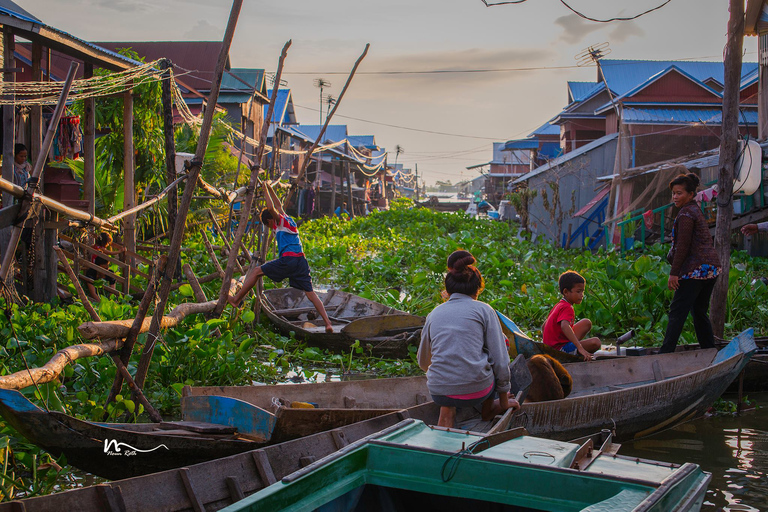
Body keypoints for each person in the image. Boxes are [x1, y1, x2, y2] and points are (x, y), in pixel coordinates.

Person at [417, 253, 519, 428]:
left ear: (448, 290)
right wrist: (504, 400)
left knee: (447, 398)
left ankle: (445, 419)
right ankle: (489, 410)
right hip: (478, 391)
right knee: (497, 348)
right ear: (477, 289)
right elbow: (501, 360)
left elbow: (423, 361)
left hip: (439, 391)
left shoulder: (434, 313)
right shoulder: (484, 310)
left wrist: (446, 376)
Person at [228, 180, 334, 333]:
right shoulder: (288, 219)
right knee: (311, 294)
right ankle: (328, 323)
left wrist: (264, 188)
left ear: (270, 220)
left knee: (257, 271)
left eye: (269, 225)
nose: (271, 228)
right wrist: (270, 188)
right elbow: (278, 205)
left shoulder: (279, 222)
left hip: (289, 260)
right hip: (301, 262)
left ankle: (236, 299)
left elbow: (272, 208)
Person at [660, 172, 721, 354]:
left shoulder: (686, 214)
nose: (675, 197)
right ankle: (709, 351)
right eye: (674, 193)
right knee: (699, 311)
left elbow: (683, 246)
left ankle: (665, 354)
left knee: (677, 311)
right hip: (710, 269)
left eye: (679, 193)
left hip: (695, 270)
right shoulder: (695, 210)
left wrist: (674, 272)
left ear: (691, 194)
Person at [542, 271, 600, 361]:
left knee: (586, 323)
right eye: (578, 291)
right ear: (566, 292)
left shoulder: (559, 304)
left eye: (582, 291)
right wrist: (580, 347)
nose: (582, 295)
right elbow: (564, 326)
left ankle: (573, 348)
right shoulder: (567, 307)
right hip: (558, 351)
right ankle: (576, 355)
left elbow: (544, 326)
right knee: (595, 343)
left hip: (551, 347)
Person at [85, 232, 124, 299]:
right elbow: (110, 253)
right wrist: (120, 251)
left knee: (111, 275)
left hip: (97, 264)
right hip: (96, 266)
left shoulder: (95, 246)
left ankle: (111, 298)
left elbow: (112, 245)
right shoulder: (100, 249)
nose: (108, 244)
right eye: (108, 242)